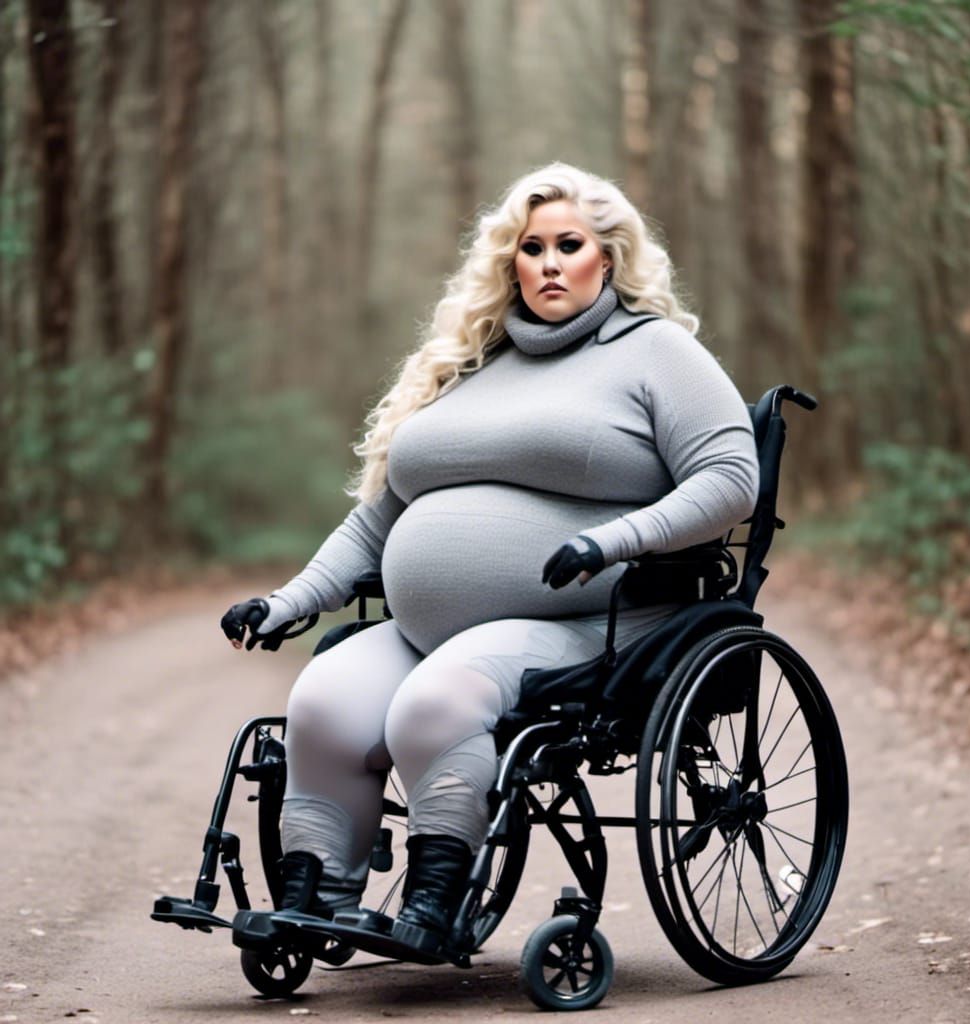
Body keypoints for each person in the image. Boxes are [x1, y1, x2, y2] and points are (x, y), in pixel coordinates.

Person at [220, 162, 759, 948]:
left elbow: (731, 478)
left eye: (568, 244)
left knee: (434, 703)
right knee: (323, 704)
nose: (548, 262)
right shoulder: (471, 362)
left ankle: (435, 905)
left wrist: (610, 541)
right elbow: (379, 521)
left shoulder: (655, 353)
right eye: (530, 246)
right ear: (509, 259)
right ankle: (315, 905)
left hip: (595, 619)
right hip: (429, 627)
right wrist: (289, 601)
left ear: (605, 257)